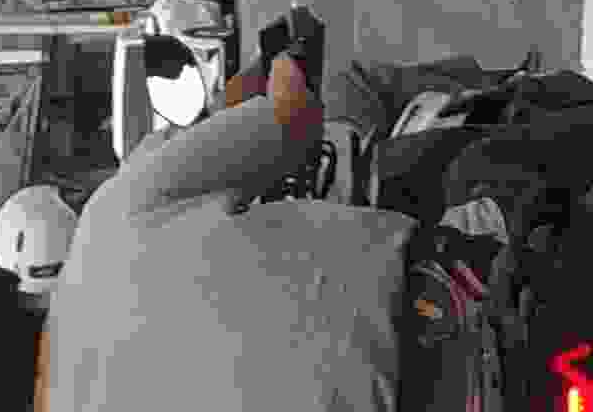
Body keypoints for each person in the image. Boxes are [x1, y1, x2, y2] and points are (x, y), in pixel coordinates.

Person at [44, 40, 452, 412]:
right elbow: (294, 117)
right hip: (429, 315)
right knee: (361, 91)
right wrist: (285, 58)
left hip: (423, 355)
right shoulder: (107, 222)